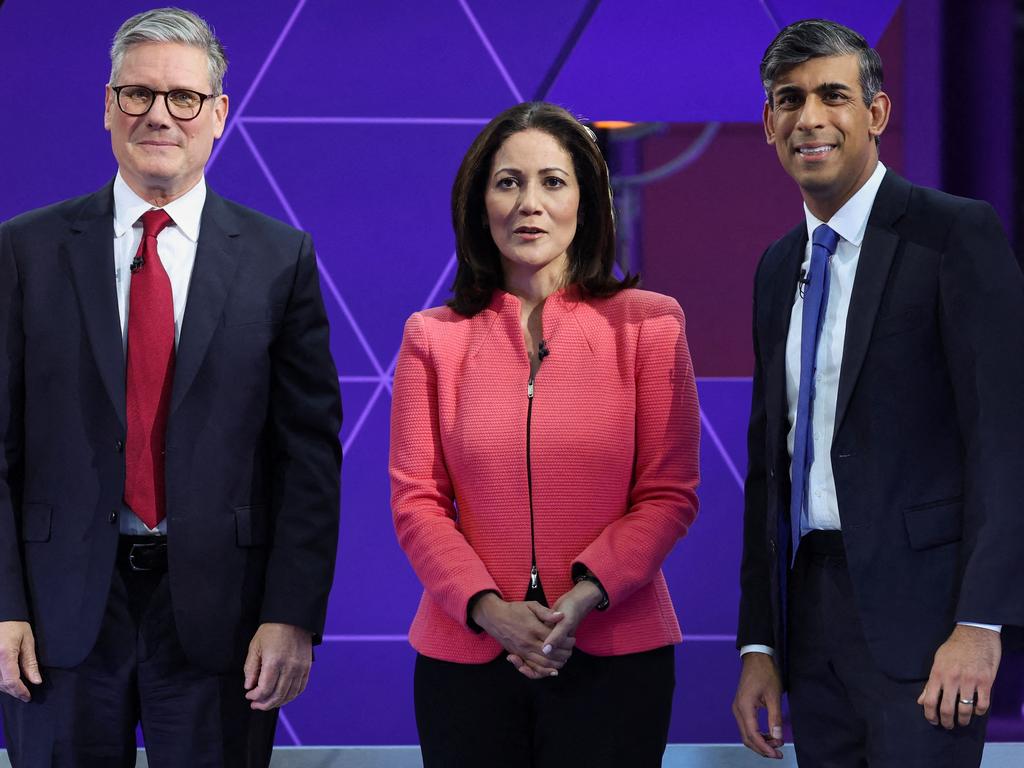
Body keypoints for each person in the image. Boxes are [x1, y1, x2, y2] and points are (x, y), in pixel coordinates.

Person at [0, 8, 342, 766]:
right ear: (107, 105)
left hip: (222, 619)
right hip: (57, 619)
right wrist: (2, 607)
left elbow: (309, 459)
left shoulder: (278, 258)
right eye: (137, 94)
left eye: (183, 97)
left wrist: (291, 614)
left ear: (218, 115)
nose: (159, 114)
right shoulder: (25, 250)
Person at [732, 18, 1024, 766]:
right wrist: (760, 643)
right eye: (789, 100)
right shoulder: (775, 267)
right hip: (810, 625)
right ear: (769, 123)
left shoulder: (954, 234)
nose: (810, 119)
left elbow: (1006, 440)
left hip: (929, 633)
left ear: (877, 113)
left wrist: (981, 625)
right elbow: (771, 466)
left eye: (833, 95)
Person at [389, 101, 700, 767]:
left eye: (553, 182)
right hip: (468, 659)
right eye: (508, 182)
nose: (529, 203)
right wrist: (489, 609)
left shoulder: (651, 326)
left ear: (587, 201)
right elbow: (416, 501)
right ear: (480, 204)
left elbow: (668, 495)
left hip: (614, 652)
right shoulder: (431, 339)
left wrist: (582, 599)